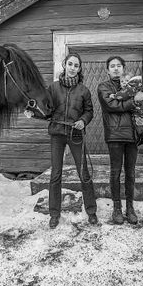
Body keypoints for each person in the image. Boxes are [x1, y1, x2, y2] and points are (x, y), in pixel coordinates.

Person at [97, 56, 143, 225]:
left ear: (123, 68)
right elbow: (111, 106)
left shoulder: (137, 87)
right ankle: (116, 208)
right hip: (114, 135)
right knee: (115, 172)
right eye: (112, 66)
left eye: (118, 66)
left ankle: (130, 207)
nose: (115, 68)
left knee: (131, 172)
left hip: (133, 136)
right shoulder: (104, 87)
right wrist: (133, 100)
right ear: (107, 70)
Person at [46, 53, 97, 229]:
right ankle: (54, 213)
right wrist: (34, 111)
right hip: (57, 134)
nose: (73, 68)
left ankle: (91, 211)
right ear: (64, 65)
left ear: (79, 68)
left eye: (76, 65)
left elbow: (89, 111)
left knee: (84, 173)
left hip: (75, 134)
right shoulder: (53, 88)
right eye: (70, 64)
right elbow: (46, 108)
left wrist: (83, 120)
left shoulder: (84, 90)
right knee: (56, 174)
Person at [107, 73, 143, 147]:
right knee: (138, 122)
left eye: (126, 81)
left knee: (136, 121)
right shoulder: (139, 89)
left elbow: (123, 95)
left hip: (139, 110)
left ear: (131, 82)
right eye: (122, 81)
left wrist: (114, 96)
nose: (124, 83)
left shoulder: (130, 89)